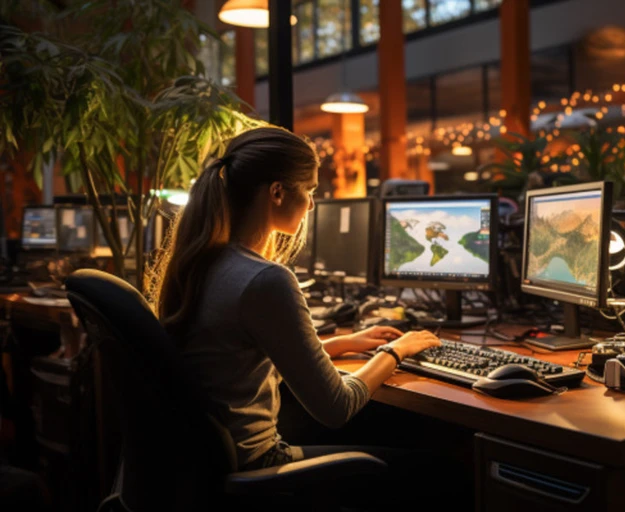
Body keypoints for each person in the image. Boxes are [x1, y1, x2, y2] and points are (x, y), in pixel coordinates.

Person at [147, 127, 459, 506]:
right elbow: (336, 407)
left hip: (205, 464)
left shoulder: (204, 261)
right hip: (258, 464)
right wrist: (395, 352)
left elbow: (234, 354)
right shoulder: (266, 279)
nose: (312, 205)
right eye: (309, 190)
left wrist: (338, 343)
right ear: (277, 192)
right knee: (444, 468)